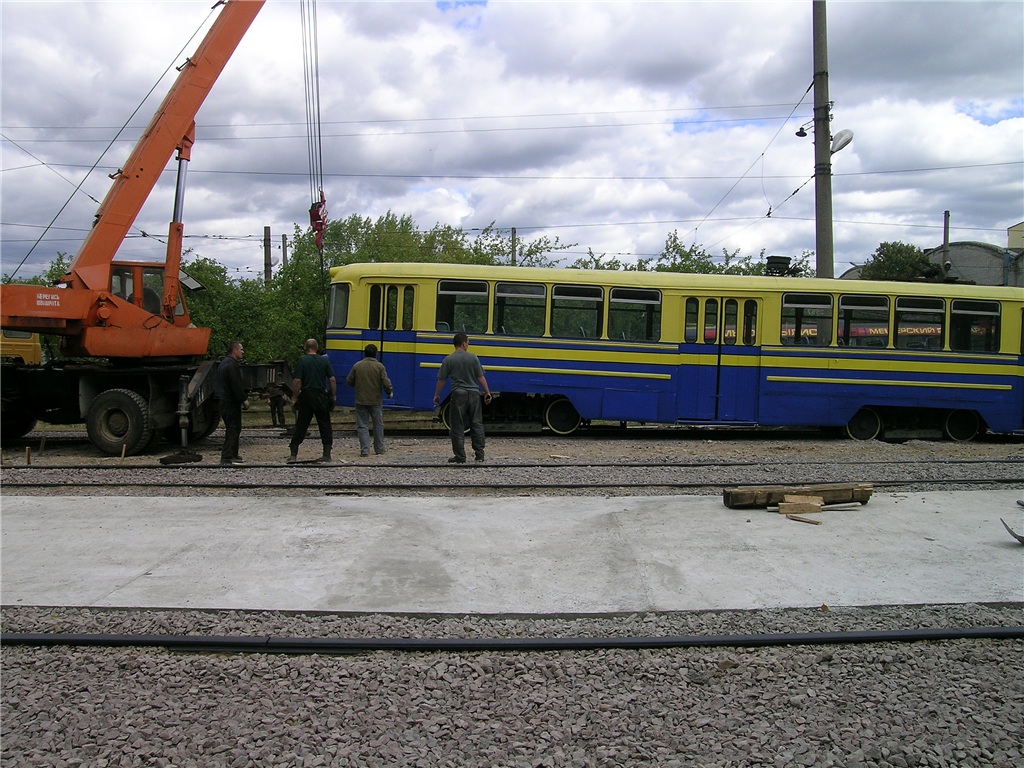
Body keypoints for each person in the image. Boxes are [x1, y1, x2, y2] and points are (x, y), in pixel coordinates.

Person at [433, 332, 492, 463]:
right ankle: (479, 455)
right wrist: (487, 392)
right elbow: (480, 377)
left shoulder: (449, 359)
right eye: (468, 342)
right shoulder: (473, 358)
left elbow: (441, 380)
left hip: (458, 394)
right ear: (464, 343)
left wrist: (437, 395)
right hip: (474, 394)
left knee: (457, 425)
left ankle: (460, 456)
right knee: (476, 423)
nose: (468, 345)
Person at [287, 338, 336, 463]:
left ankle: (293, 453)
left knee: (302, 425)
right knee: (325, 425)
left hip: (307, 396)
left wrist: (294, 397)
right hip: (321, 395)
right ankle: (326, 453)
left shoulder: (302, 361)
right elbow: (332, 380)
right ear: (316, 347)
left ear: (306, 347)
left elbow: (297, 381)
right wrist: (332, 396)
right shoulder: (324, 361)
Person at [345, 343, 394, 457]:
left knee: (362, 425)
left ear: (364, 353)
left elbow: (349, 381)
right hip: (375, 400)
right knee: (378, 424)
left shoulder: (357, 366)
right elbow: (386, 382)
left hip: (360, 400)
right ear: (376, 354)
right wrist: (389, 392)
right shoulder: (380, 366)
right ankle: (379, 449)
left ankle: (365, 450)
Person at [214, 340, 246, 465]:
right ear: (235, 350)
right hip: (229, 401)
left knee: (234, 427)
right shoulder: (231, 365)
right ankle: (227, 456)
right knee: (233, 427)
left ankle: (233, 453)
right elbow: (236, 385)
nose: (243, 352)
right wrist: (243, 399)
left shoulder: (224, 363)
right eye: (241, 349)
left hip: (225, 400)